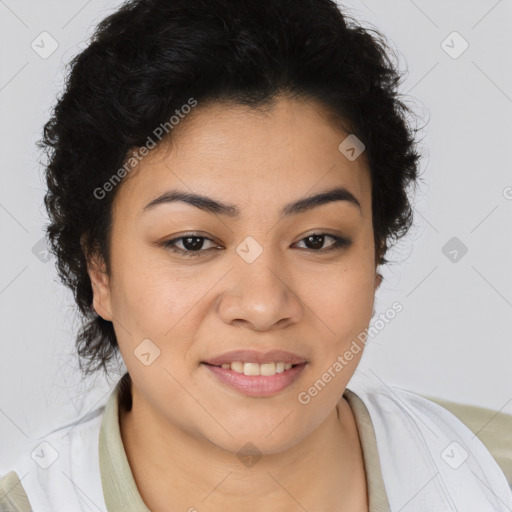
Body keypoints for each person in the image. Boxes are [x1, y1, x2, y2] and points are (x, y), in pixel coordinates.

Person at [1, 0, 511, 510]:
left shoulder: (491, 476)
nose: (264, 305)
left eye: (316, 240)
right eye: (192, 242)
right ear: (101, 271)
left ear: (375, 258)